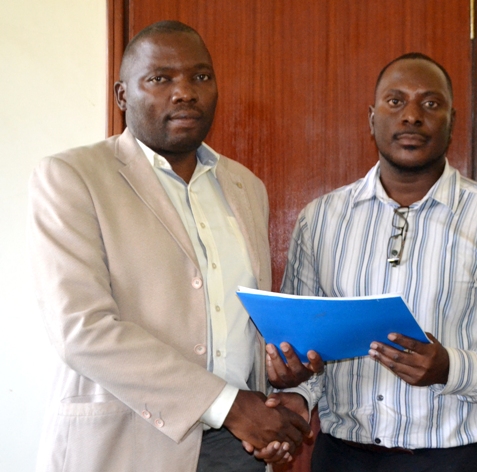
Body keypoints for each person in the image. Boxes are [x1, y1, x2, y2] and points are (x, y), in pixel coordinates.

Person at [28, 20, 312, 472]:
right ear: (123, 96)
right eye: (161, 78)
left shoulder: (245, 187)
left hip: (238, 449)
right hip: (127, 445)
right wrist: (231, 406)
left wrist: (280, 388)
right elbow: (83, 330)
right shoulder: (73, 177)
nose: (185, 92)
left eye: (200, 77)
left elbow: (234, 323)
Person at [258, 52, 477, 472]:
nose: (412, 116)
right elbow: (305, 347)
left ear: (452, 119)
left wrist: (451, 367)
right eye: (395, 102)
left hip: (452, 459)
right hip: (342, 458)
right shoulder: (320, 219)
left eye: (430, 104)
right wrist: (295, 388)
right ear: (371, 117)